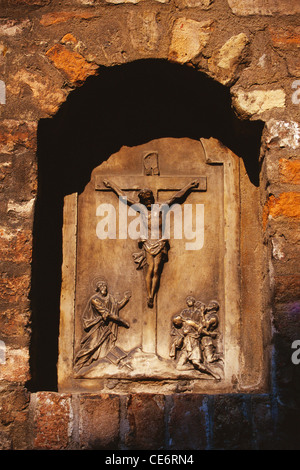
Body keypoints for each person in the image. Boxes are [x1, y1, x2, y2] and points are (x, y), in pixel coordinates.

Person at [103, 179, 199, 308]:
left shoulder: (160, 207)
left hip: (159, 241)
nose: (148, 201)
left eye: (149, 198)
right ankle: (149, 295)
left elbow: (176, 197)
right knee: (150, 268)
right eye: (145, 199)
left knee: (157, 270)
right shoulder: (141, 209)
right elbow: (124, 198)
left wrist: (189, 186)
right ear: (142, 200)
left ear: (152, 198)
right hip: (148, 242)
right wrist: (112, 186)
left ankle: (152, 294)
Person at [74, 280, 131, 370]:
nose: (103, 287)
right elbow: (107, 314)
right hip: (96, 325)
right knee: (92, 346)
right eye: (101, 286)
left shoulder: (110, 298)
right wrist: (122, 321)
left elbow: (116, 308)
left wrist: (125, 299)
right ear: (98, 289)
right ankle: (78, 364)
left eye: (104, 285)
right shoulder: (94, 299)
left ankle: (117, 365)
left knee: (107, 346)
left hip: (106, 326)